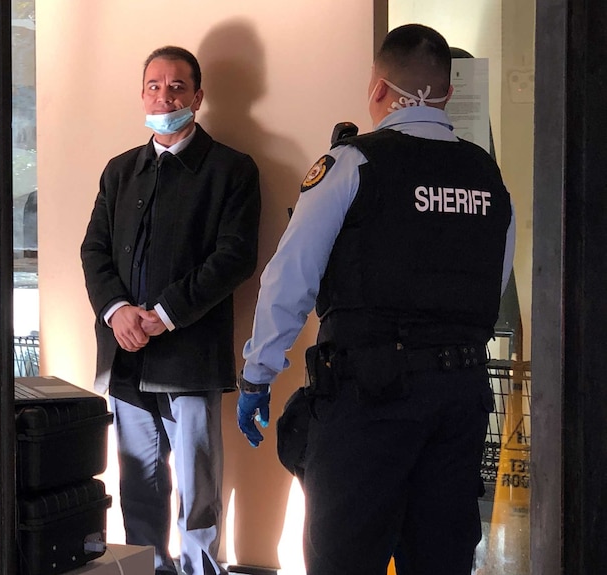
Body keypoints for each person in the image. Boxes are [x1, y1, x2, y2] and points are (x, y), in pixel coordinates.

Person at [236, 24, 516, 575]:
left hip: (369, 400)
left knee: (346, 558)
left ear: (378, 88)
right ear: (448, 93)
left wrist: (257, 375)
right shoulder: (487, 174)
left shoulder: (352, 164)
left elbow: (289, 278)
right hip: (459, 399)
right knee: (441, 558)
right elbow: (495, 281)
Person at [81, 45, 261, 575]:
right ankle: (146, 567)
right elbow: (93, 250)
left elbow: (234, 258)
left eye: (177, 87)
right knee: (138, 483)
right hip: (127, 354)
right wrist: (118, 312)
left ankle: (199, 570)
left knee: (197, 486)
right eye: (154, 86)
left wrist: (162, 313)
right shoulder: (119, 172)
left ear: (198, 97)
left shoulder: (232, 169)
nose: (165, 96)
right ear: (142, 94)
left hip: (190, 355)